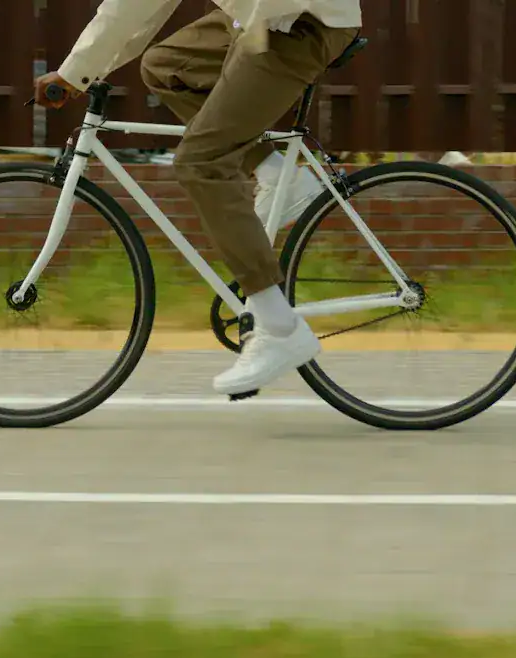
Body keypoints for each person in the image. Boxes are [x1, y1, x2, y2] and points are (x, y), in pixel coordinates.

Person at [34, 1, 361, 398]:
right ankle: (279, 174)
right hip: (264, 18)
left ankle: (280, 327)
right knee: (167, 65)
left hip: (296, 25)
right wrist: (84, 71)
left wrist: (74, 73)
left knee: (200, 162)